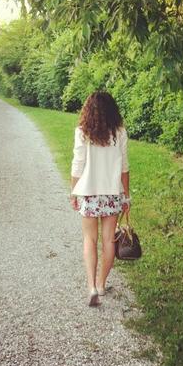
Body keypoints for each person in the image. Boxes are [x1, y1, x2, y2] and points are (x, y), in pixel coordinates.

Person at [69, 91, 131, 307]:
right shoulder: (120, 133)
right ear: (113, 110)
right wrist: (127, 197)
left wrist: (73, 191)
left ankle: (91, 287)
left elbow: (77, 164)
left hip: (89, 192)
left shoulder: (83, 132)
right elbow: (124, 169)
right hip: (113, 193)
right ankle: (102, 284)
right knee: (108, 241)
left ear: (89, 110)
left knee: (90, 240)